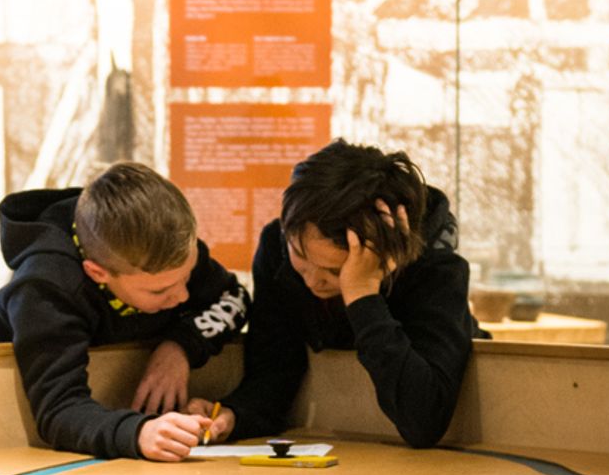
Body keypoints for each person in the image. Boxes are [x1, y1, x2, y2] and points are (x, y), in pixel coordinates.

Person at [189, 140, 477, 450]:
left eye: (336, 272)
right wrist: (235, 415)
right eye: (300, 255)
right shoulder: (276, 245)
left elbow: (424, 421)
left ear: (387, 255)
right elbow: (275, 366)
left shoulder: (435, 271)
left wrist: (363, 295)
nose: (313, 281)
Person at [0, 162, 248, 461]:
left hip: (101, 425)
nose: (183, 296)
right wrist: (138, 434)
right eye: (159, 291)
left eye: (188, 275)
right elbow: (59, 410)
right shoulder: (45, 288)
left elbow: (235, 298)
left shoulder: (168, 255)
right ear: (97, 273)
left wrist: (181, 346)